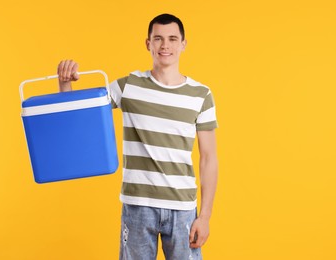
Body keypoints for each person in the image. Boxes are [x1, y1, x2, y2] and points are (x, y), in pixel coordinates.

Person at [57, 13, 219, 260]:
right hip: (138, 206)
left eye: (173, 39)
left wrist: (205, 216)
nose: (165, 46)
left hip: (183, 209)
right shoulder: (128, 86)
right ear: (148, 43)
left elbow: (209, 158)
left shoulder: (201, 95)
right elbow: (80, 117)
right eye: (158, 39)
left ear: (183, 44)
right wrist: (65, 85)